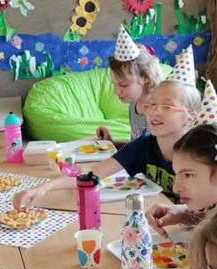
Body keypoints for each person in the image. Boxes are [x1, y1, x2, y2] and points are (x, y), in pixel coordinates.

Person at [15, 79, 201, 209]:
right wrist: (43, 188)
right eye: (152, 104)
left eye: (167, 106)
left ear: (189, 118)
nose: (155, 111)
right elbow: (93, 173)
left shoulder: (201, 154)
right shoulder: (143, 145)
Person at [96, 44, 162, 142]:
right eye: (114, 85)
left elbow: (151, 150)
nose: (117, 91)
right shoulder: (133, 104)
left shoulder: (157, 112)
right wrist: (110, 142)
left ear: (145, 78)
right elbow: (135, 146)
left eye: (124, 85)